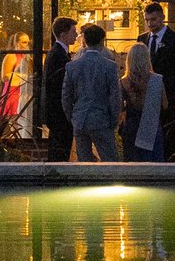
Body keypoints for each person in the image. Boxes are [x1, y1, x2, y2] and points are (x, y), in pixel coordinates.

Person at [61, 22, 121, 161]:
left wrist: (72, 116)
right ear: (102, 41)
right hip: (102, 120)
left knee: (84, 163)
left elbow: (66, 96)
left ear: (85, 40)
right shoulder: (109, 66)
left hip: (80, 120)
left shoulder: (72, 66)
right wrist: (114, 120)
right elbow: (115, 96)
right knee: (111, 162)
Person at [140, 2, 175, 155]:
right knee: (147, 141)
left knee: (168, 140)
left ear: (162, 17)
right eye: (147, 20)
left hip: (169, 98)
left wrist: (160, 83)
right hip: (146, 99)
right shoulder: (142, 39)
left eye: (153, 20)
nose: (150, 24)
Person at [122, 39, 168, 161]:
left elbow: (120, 107)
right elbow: (165, 104)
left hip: (132, 125)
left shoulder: (124, 81)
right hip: (152, 125)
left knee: (132, 162)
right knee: (153, 161)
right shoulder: (157, 79)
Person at [41, 17, 78, 162]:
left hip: (57, 112)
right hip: (59, 113)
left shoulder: (58, 53)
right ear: (63, 34)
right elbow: (59, 85)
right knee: (60, 151)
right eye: (73, 32)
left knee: (60, 150)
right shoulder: (57, 54)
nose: (76, 35)